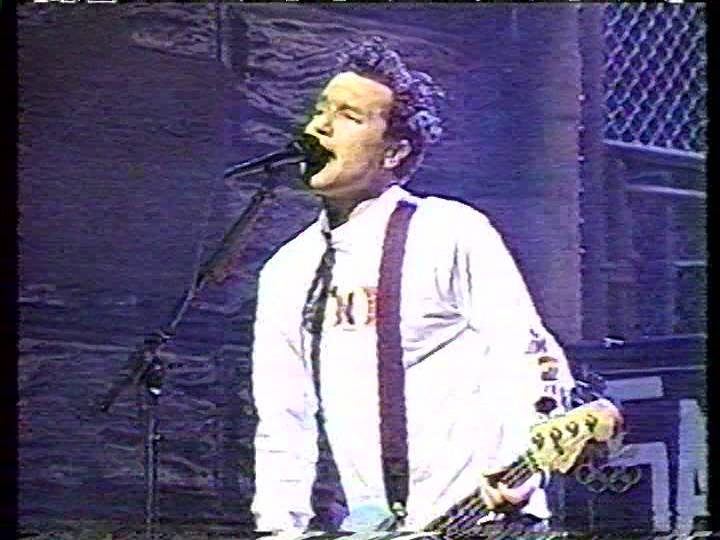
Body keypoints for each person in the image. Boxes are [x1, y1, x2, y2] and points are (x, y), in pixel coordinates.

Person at [251, 36, 575, 538]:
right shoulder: (287, 270)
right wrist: (278, 527)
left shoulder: (448, 231)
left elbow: (528, 353)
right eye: (320, 111)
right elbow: (283, 417)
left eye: (348, 116)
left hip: (483, 519)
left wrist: (522, 466)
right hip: (377, 526)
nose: (319, 127)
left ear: (394, 152)